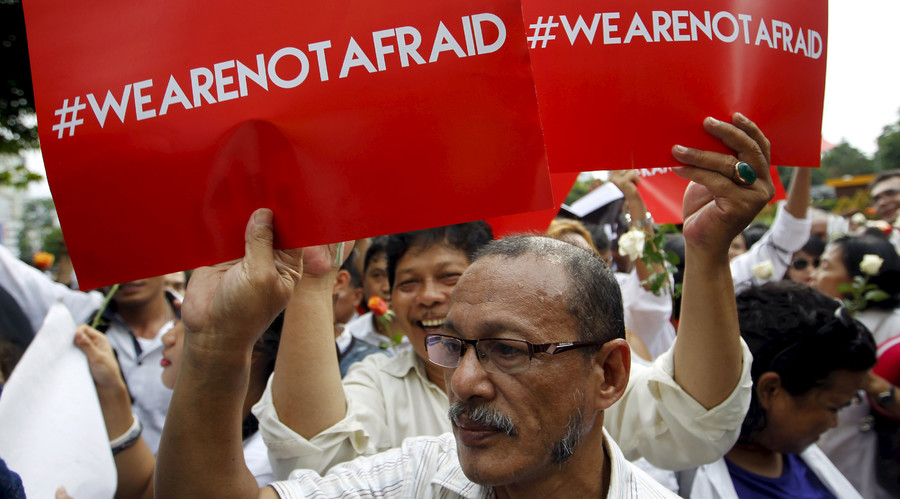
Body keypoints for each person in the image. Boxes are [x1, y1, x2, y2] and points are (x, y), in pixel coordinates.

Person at [155, 112, 776, 497]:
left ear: (608, 374)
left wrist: (708, 251)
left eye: (509, 350)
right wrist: (213, 347)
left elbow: (696, 418)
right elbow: (307, 455)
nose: (467, 381)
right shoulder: (417, 479)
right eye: (456, 344)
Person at [682, 282, 876, 498]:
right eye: (834, 408)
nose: (834, 423)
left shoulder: (795, 457)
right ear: (771, 390)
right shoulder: (682, 481)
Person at [74, 314, 281, 497]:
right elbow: (148, 489)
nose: (166, 338)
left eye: (189, 323)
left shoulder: (258, 465)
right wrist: (111, 391)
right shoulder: (208, 427)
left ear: (249, 346)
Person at [811, 233, 900, 498]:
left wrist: (875, 385)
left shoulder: (894, 328)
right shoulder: (826, 320)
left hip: (876, 464)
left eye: (825, 266)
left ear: (857, 279)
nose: (813, 274)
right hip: (831, 455)